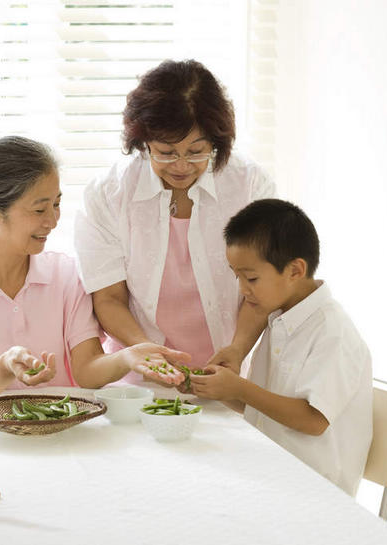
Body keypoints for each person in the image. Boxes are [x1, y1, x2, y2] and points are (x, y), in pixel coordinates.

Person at [0, 136, 192, 401]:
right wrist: (4, 365)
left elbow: (86, 370)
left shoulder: (67, 274)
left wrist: (127, 357)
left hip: (60, 436)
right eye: (39, 210)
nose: (52, 220)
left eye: (57, 204)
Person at [74, 59, 276, 383]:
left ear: (216, 142)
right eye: (166, 152)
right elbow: (109, 298)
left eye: (197, 151)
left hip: (227, 376)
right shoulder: (108, 195)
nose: (182, 166)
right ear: (142, 143)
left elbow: (262, 287)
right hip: (138, 382)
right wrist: (146, 353)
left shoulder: (249, 185)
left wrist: (238, 350)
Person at [189, 199, 373, 495]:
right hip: (269, 477)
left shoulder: (332, 332)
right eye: (237, 277)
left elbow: (313, 420)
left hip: (313, 494)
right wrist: (216, 389)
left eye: (251, 278)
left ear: (295, 270)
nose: (242, 289)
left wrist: (238, 388)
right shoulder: (281, 320)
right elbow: (265, 408)